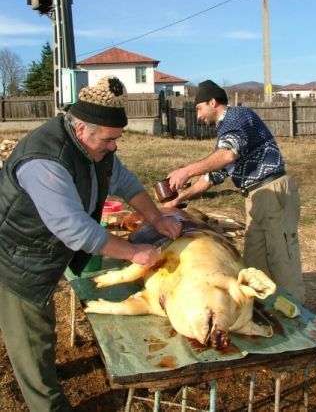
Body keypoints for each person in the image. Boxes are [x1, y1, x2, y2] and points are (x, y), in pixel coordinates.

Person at [0, 76, 181, 412]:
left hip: (43, 249)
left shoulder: (93, 146)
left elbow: (125, 182)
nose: (115, 146)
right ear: (82, 130)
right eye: (110, 139)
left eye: (117, 138)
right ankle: (47, 402)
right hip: (15, 257)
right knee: (30, 335)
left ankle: (43, 369)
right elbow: (76, 230)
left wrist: (157, 218)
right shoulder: (46, 160)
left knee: (41, 329)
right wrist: (133, 252)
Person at [165, 79, 305, 304]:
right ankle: (264, 309)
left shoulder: (238, 116)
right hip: (255, 197)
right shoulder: (226, 132)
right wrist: (179, 199)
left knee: (282, 258)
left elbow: (228, 155)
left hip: (273, 191)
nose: (198, 116)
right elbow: (213, 176)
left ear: (212, 102)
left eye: (199, 108)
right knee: (255, 263)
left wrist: (186, 171)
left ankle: (298, 321)